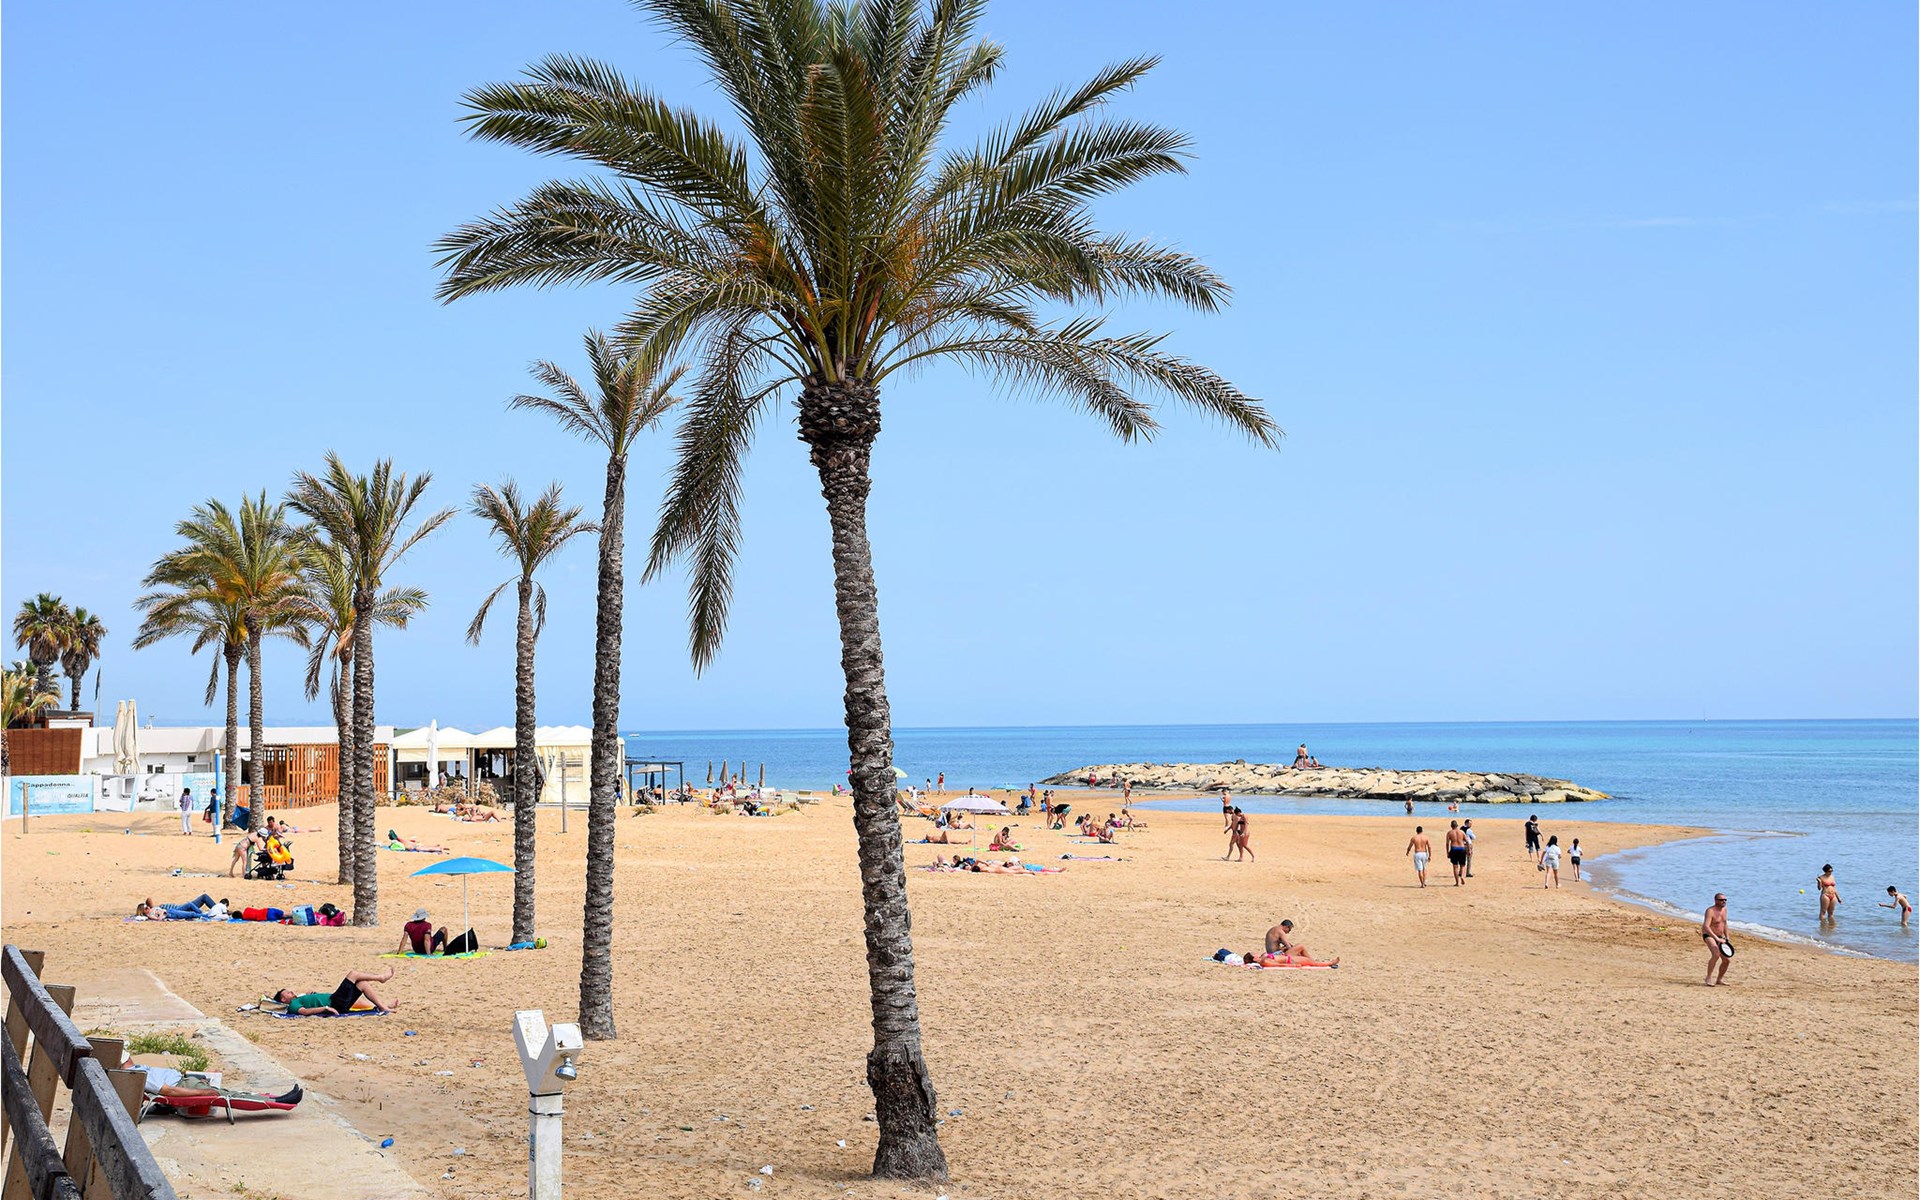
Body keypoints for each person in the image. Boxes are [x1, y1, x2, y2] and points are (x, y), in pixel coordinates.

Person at [274, 967, 400, 1015]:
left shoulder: (299, 998)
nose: (291, 992)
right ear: (283, 999)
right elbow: (305, 1012)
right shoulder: (293, 1004)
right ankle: (381, 978)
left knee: (362, 984)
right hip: (334, 1003)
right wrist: (325, 1008)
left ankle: (383, 1006)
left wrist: (312, 995)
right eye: (287, 993)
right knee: (353, 974)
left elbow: (311, 1003)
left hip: (336, 1001)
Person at [1263, 919, 1337, 965]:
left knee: (1296, 950)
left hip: (1272, 954)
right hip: (1276, 955)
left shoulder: (1274, 929)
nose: (1288, 932)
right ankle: (1313, 961)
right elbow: (1288, 946)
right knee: (1300, 946)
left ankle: (1310, 960)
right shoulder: (1280, 932)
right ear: (1286, 927)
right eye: (1289, 929)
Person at [1701, 893, 1732, 987]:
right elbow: (1706, 926)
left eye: (1725, 900)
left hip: (1720, 936)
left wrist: (1727, 936)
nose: (1724, 901)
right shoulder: (1710, 911)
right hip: (1709, 935)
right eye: (1721, 900)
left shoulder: (1724, 910)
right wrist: (1716, 938)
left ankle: (1719, 979)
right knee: (1716, 954)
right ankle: (1708, 978)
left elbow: (1724, 923)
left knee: (1727, 960)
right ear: (1716, 901)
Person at [136, 894, 219, 920]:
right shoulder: (150, 914)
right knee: (192, 907)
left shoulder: (153, 908)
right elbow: (158, 918)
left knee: (203, 897)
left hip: (177, 908)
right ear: (143, 912)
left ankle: (217, 910)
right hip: (175, 910)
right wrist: (163, 911)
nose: (148, 907)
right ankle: (211, 913)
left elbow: (149, 900)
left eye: (147, 906)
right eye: (146, 908)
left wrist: (159, 907)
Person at [1445, 820, 1468, 886]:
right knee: (1462, 865)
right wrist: (1469, 850)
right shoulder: (1462, 832)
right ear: (1457, 826)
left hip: (1454, 849)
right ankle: (1462, 877)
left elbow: (1447, 843)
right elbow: (1467, 842)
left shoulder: (1449, 833)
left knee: (1455, 866)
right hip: (1461, 848)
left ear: (1451, 826)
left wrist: (1447, 852)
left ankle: (1457, 882)